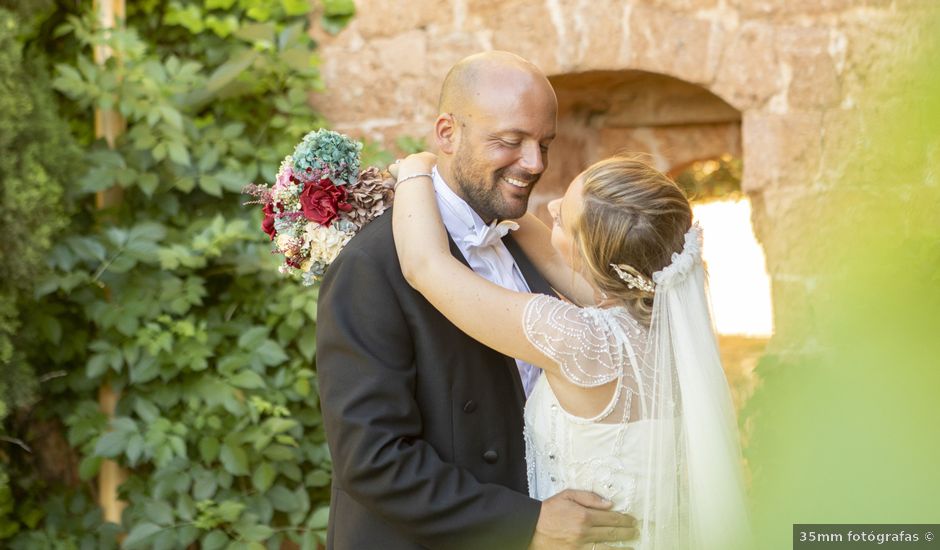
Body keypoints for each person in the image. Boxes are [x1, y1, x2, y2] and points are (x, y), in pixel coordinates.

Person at [316, 51, 637, 549]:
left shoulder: (528, 242)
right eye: (510, 141)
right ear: (447, 133)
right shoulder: (372, 264)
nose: (534, 164)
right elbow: (373, 459)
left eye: (544, 144)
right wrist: (524, 523)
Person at [390, 151, 752, 549]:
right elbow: (548, 251)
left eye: (562, 219)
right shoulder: (665, 323)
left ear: (587, 254)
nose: (550, 206)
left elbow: (424, 266)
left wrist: (414, 170)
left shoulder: (578, 339)